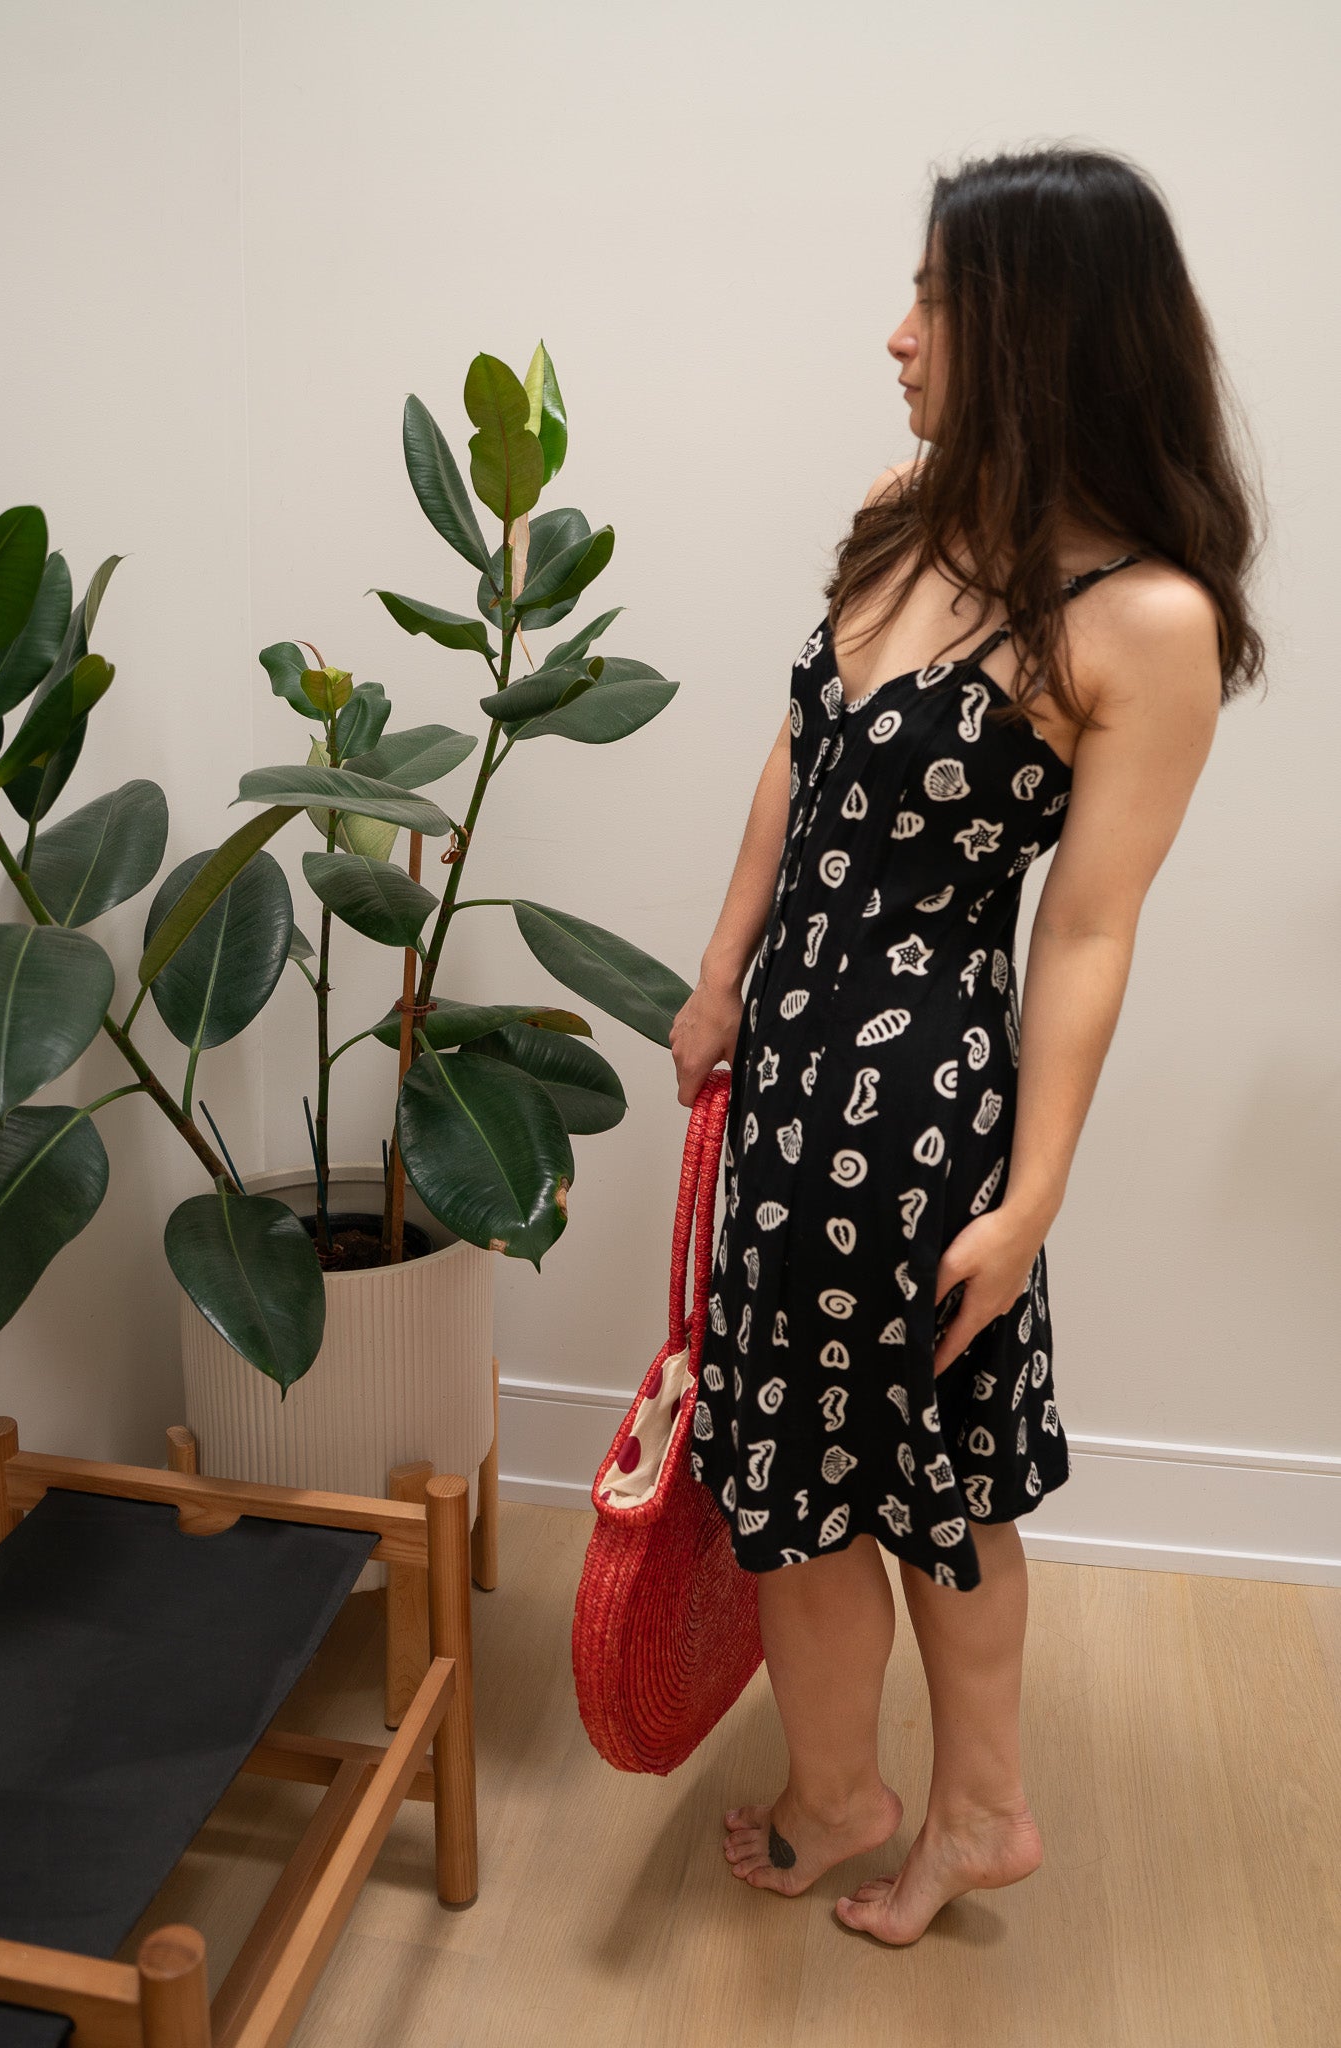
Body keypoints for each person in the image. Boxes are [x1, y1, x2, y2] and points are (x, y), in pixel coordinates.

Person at [669, 145, 1264, 1946]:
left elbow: (1086, 929)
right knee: (811, 1465)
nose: (899, 336)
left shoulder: (1136, 619)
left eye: (935, 299)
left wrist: (1034, 1198)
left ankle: (949, 1804)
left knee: (913, 1471)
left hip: (921, 1108)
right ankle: (877, 1794)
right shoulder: (902, 508)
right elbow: (805, 748)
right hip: (787, 1078)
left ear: (1040, 331)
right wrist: (717, 978)